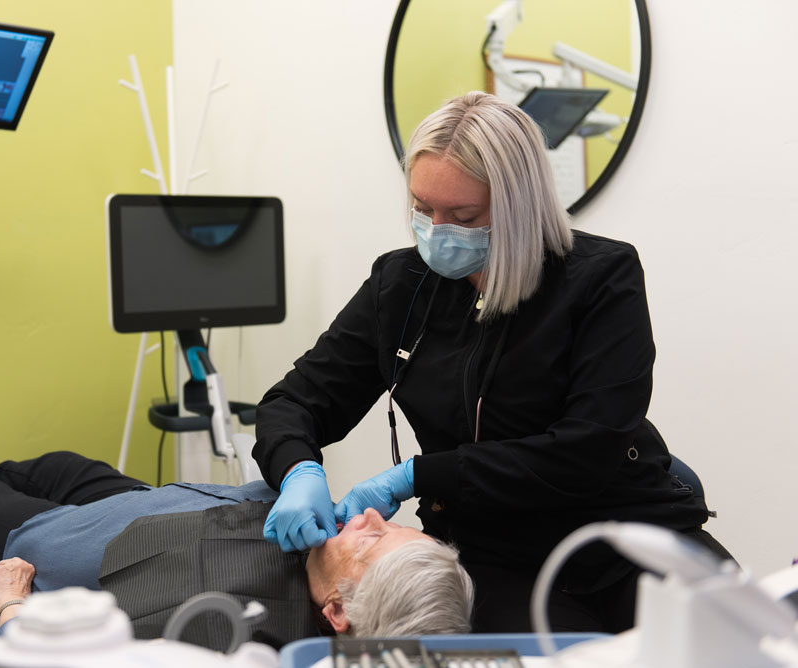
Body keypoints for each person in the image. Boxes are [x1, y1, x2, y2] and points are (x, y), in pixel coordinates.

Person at [254, 91, 733, 634]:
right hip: (497, 556)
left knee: (734, 644)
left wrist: (415, 475)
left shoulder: (601, 279)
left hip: (626, 533)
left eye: (462, 215)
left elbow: (585, 452)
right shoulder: (400, 287)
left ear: (517, 205)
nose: (436, 230)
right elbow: (295, 401)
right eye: (421, 208)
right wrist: (298, 468)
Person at [0, 427, 473, 648]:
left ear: (338, 611)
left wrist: (11, 606)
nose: (368, 518)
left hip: (49, 545)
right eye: (393, 525)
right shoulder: (318, 550)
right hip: (142, 510)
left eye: (371, 543)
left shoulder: (223, 636)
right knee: (57, 464)